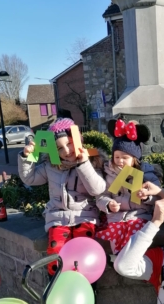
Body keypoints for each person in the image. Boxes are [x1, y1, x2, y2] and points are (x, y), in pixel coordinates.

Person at [18, 118, 106, 276]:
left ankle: (88, 287)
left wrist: (84, 164)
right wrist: (27, 157)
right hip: (57, 218)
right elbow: (29, 178)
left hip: (84, 216)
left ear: (78, 140)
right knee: (56, 254)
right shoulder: (50, 165)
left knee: (84, 254)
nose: (66, 151)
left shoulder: (92, 160)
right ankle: (57, 285)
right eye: (59, 148)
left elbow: (97, 189)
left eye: (69, 143)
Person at [96, 119, 163, 254]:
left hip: (139, 216)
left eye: (125, 157)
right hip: (116, 217)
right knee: (115, 240)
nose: (120, 161)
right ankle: (119, 261)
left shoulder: (147, 174)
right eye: (117, 157)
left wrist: (146, 197)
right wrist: (108, 204)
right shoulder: (109, 173)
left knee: (133, 240)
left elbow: (159, 197)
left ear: (135, 159)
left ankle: (131, 261)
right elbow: (102, 196)